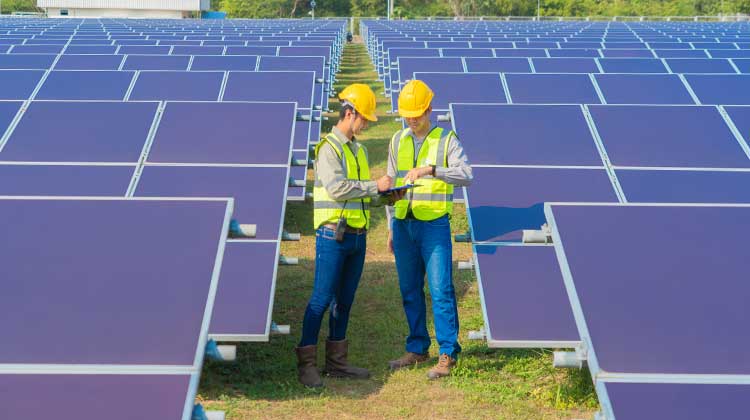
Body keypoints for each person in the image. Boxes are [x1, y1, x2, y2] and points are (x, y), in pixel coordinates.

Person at [296, 83, 398, 388]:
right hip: (332, 235)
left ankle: (337, 363)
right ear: (349, 112)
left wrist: (387, 197)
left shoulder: (359, 149)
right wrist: (374, 188)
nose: (366, 124)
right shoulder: (328, 148)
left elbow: (360, 192)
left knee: (345, 300)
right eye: (364, 118)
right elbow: (339, 188)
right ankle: (306, 365)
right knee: (321, 298)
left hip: (357, 235)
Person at [385, 79, 473, 379]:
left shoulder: (446, 140)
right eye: (407, 114)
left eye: (417, 113)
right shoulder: (397, 140)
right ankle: (418, 347)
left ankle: (448, 352)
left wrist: (433, 170)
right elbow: (390, 181)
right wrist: (390, 225)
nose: (412, 119)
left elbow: (466, 175)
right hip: (403, 224)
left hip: (434, 226)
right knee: (409, 289)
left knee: (440, 290)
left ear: (429, 109)